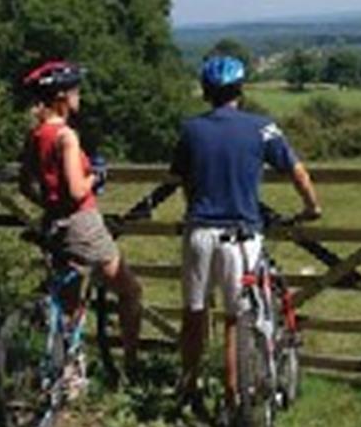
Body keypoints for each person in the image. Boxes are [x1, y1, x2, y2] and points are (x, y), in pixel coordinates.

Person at [170, 55, 321, 419]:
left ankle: (188, 386)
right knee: (236, 319)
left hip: (199, 232)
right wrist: (312, 207)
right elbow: (297, 171)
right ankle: (234, 394)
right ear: (241, 90)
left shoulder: (191, 129)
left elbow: (180, 178)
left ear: (206, 92)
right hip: (241, 235)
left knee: (194, 314)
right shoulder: (262, 127)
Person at [17, 60, 143, 381]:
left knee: (69, 302)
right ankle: (131, 366)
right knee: (130, 290)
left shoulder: (37, 134)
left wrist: (48, 204)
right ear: (61, 96)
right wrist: (96, 177)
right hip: (82, 224)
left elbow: (24, 184)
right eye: (74, 89)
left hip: (54, 224)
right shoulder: (66, 136)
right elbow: (76, 189)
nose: (79, 95)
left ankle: (67, 374)